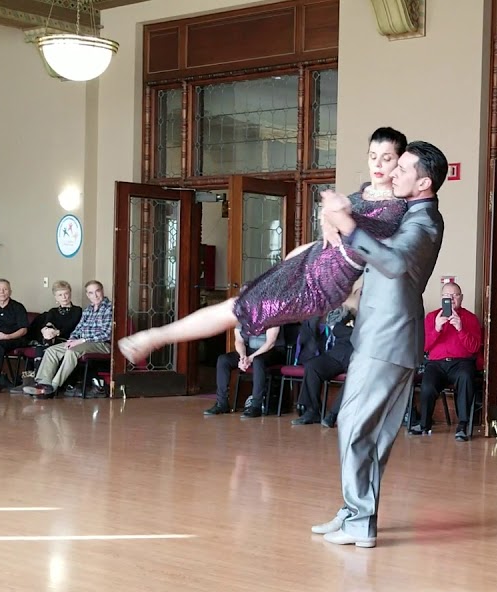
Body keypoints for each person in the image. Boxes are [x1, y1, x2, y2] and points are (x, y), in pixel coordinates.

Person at [116, 127, 410, 365]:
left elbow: (355, 231)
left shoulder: (394, 209)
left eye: (387, 158)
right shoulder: (362, 193)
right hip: (305, 263)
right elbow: (330, 229)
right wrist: (326, 219)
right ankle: (155, 337)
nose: (378, 165)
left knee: (236, 309)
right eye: (373, 156)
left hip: (322, 285)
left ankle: (155, 337)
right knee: (238, 303)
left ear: (399, 160)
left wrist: (335, 212)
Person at [311, 140, 448, 548]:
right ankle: (356, 513)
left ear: (424, 182)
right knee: (367, 432)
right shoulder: (409, 213)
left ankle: (359, 519)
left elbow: (392, 263)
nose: (392, 173)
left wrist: (349, 226)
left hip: (388, 339)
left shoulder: (425, 222)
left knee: (354, 426)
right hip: (383, 337)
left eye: (403, 169)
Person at [410, 281, 482, 441]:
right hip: (436, 364)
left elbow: (474, 348)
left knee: (465, 377)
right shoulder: (431, 317)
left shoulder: (470, 318)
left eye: (454, 295)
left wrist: (460, 329)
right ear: (442, 298)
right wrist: (436, 328)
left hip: (461, 363)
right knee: (428, 384)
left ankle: (463, 425)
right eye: (447, 296)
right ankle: (424, 424)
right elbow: (424, 347)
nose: (451, 299)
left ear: (461, 298)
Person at [23, 280, 113, 398]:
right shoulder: (88, 310)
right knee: (52, 351)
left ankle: (53, 387)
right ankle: (43, 384)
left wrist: (81, 340)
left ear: (102, 291)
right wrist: (71, 340)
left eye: (97, 291)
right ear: (87, 295)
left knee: (72, 351)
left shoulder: (110, 308)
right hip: (83, 343)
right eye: (91, 293)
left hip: (102, 344)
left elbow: (106, 334)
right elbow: (78, 329)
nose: (95, 295)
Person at [292, 304, 356, 427]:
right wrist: (352, 332)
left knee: (354, 377)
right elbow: (337, 329)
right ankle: (313, 411)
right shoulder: (349, 315)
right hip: (336, 354)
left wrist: (349, 332)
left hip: (356, 357)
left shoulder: (372, 319)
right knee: (312, 366)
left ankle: (332, 414)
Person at [203, 325, 283, 419]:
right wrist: (243, 357)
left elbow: (270, 343)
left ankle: (256, 405)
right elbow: (239, 341)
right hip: (250, 352)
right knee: (223, 360)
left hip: (271, 352)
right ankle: (222, 403)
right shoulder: (243, 316)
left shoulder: (271, 315)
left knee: (258, 360)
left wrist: (251, 358)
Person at [26, 281, 82, 350]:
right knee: (46, 339)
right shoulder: (53, 311)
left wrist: (57, 332)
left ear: (70, 294)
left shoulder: (77, 310)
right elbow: (48, 323)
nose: (64, 297)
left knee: (46, 344)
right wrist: (45, 330)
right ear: (56, 298)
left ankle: (41, 358)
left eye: (66, 293)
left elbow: (70, 326)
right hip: (51, 338)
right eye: (60, 295)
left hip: (68, 340)